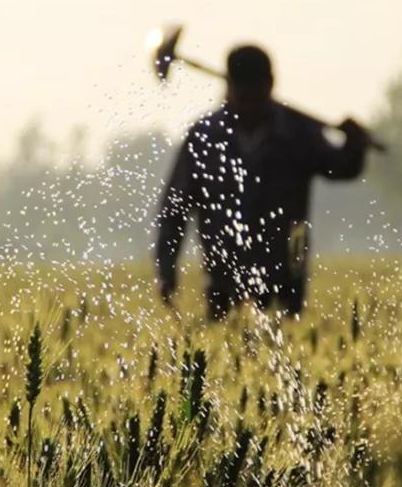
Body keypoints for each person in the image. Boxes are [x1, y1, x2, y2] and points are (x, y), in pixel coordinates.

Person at [155, 44, 373, 320]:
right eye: (243, 94)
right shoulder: (205, 138)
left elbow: (340, 168)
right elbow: (175, 210)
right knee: (226, 352)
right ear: (228, 88)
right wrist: (166, 270)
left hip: (285, 279)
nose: (250, 104)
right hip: (224, 279)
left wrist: (355, 145)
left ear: (270, 85)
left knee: (286, 346)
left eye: (256, 94)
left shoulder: (297, 132)